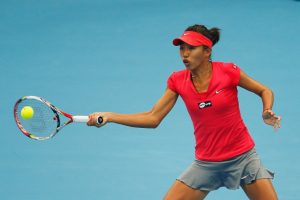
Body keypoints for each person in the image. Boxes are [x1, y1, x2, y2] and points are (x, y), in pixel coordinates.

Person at [87, 24, 281, 200]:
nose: (184, 54)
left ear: (207, 51)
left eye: (191, 48)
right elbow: (153, 117)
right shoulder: (177, 81)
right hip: (206, 164)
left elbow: (265, 90)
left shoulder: (228, 71)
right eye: (181, 48)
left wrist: (266, 110)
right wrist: (110, 116)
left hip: (243, 158)